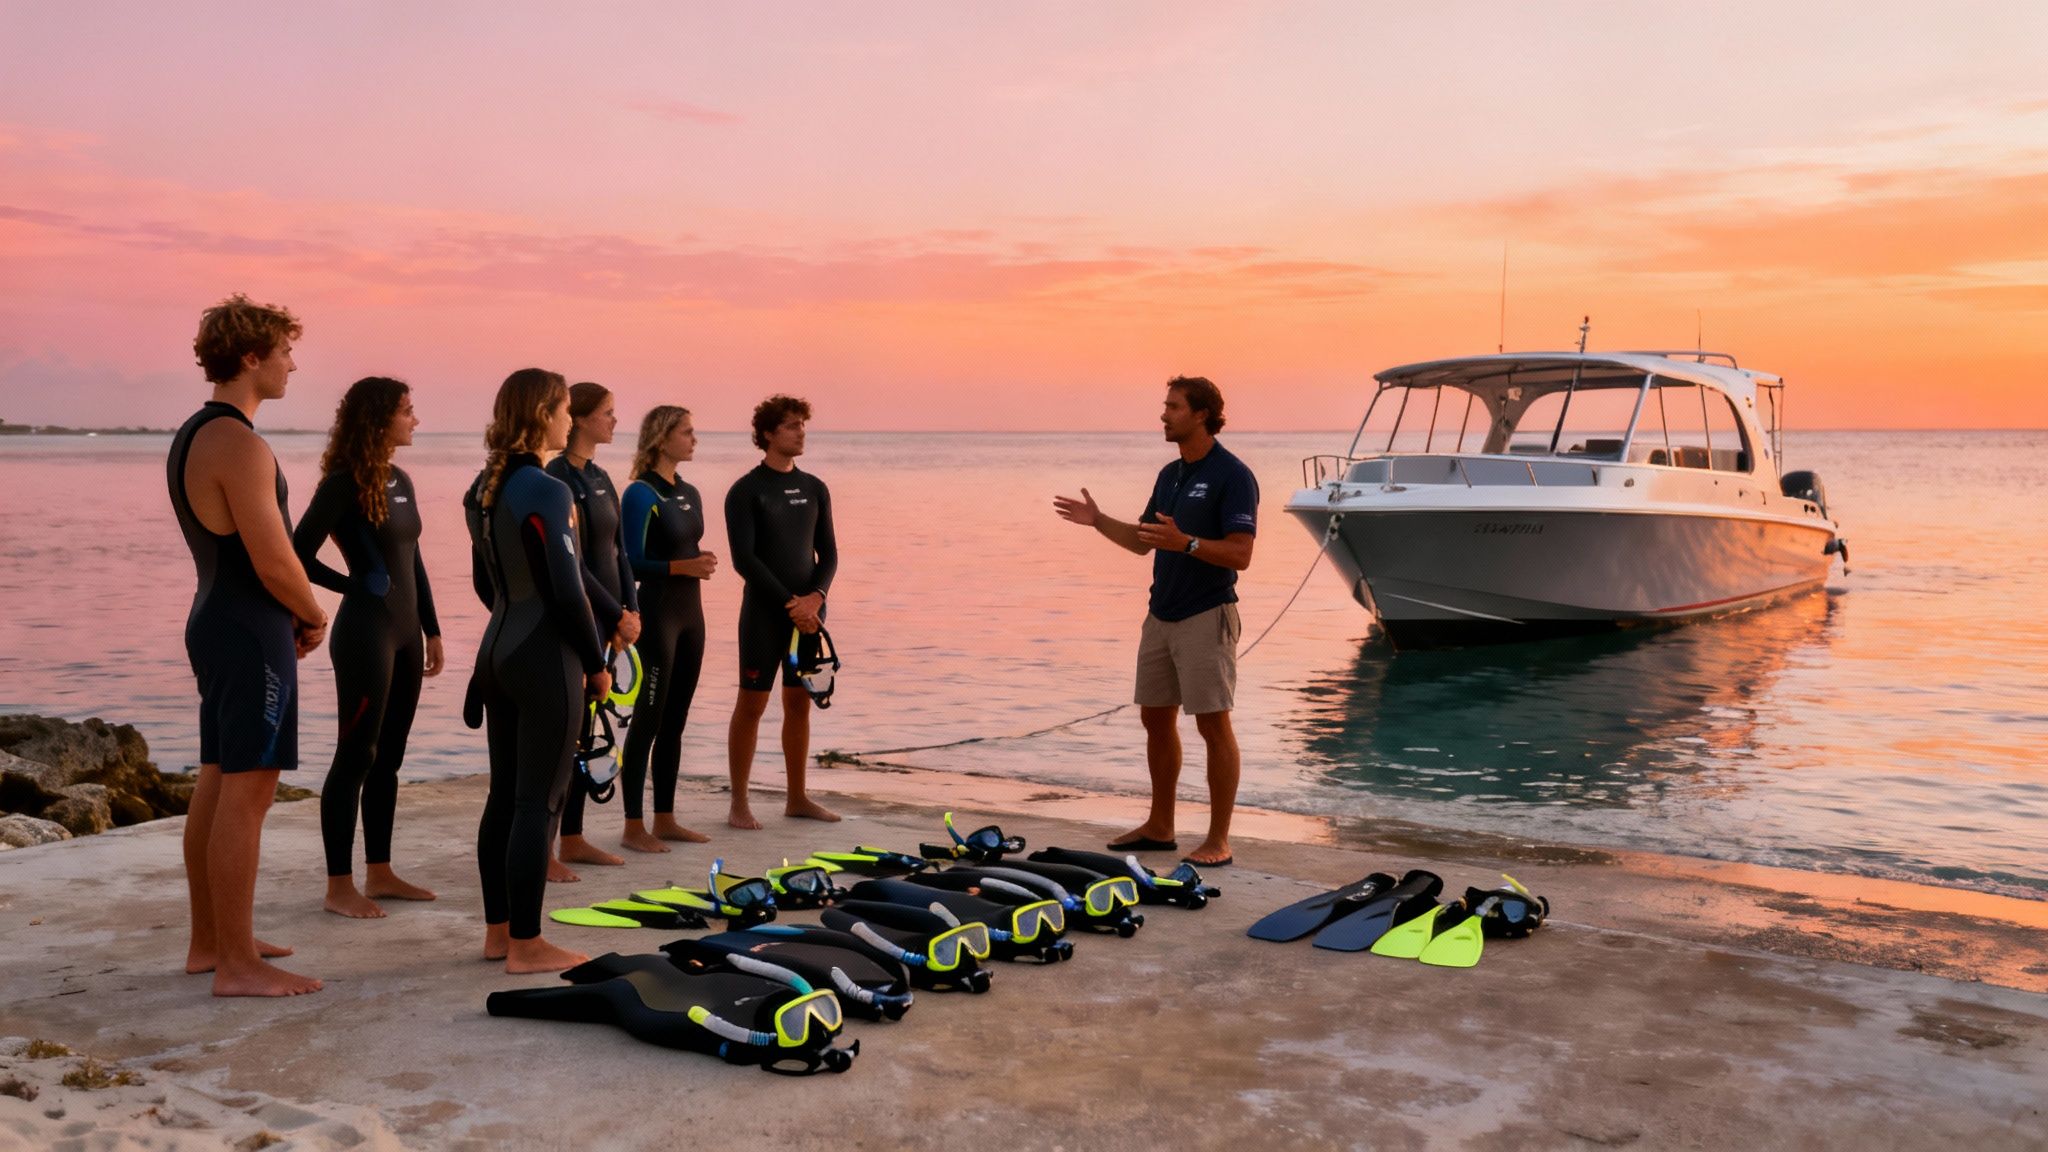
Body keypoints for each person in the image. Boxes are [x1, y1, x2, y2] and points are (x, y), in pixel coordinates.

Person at [168, 294, 327, 996]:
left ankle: (213, 940)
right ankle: (236, 964)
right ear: (253, 357)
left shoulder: (193, 433)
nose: (294, 364)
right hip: (248, 629)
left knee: (216, 779)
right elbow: (273, 557)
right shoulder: (238, 441)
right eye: (286, 351)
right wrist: (312, 611)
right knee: (249, 793)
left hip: (218, 618)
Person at [1053, 376, 1256, 867]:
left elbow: (1242, 553)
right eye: (1165, 406)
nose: (1163, 415)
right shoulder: (1170, 475)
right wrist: (1098, 520)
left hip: (1207, 613)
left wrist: (1186, 542)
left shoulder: (1233, 475)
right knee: (1155, 718)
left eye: (1173, 406)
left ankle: (1218, 839)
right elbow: (1145, 541)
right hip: (1160, 614)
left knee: (1213, 723)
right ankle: (1160, 826)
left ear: (1202, 414)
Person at [464, 368, 609, 974]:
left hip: (498, 651)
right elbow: (569, 592)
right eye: (564, 409)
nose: (570, 419)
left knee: (504, 799)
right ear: (543, 414)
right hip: (546, 656)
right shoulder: (548, 490)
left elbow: (485, 584)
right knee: (538, 803)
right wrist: (597, 664)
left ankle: (500, 933)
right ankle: (527, 944)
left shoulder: (484, 488)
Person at [293, 377, 444, 918]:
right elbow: (297, 553)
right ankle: (339, 886)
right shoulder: (342, 483)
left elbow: (414, 558)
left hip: (405, 633)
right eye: (407, 410)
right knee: (356, 754)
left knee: (390, 757)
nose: (415, 420)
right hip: (365, 633)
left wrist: (432, 627)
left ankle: (379, 872)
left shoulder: (399, 476)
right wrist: (351, 586)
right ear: (380, 419)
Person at [724, 395, 838, 829]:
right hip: (765, 613)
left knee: (800, 704)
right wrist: (792, 604)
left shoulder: (814, 488)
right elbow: (744, 560)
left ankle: (797, 797)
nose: (800, 432)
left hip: (810, 612)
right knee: (751, 704)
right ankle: (739, 802)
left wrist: (816, 598)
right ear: (768, 434)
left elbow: (827, 554)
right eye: (791, 426)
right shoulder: (746, 490)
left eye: (802, 425)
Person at [543, 382, 643, 877]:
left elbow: (620, 552)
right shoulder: (557, 478)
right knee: (566, 738)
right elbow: (574, 563)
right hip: (580, 618)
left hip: (611, 623)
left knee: (589, 730)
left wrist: (632, 610)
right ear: (579, 419)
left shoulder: (602, 478)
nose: (614, 420)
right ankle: (546, 847)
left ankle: (575, 838)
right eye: (607, 412)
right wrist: (611, 613)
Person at [615, 405, 719, 849]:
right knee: (648, 719)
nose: (694, 439)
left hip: (691, 618)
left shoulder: (690, 492)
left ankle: (666, 818)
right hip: (658, 615)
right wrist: (684, 566)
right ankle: (633, 825)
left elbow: (684, 550)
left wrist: (696, 564)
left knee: (676, 721)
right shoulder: (640, 494)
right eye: (687, 432)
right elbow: (629, 561)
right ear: (662, 438)